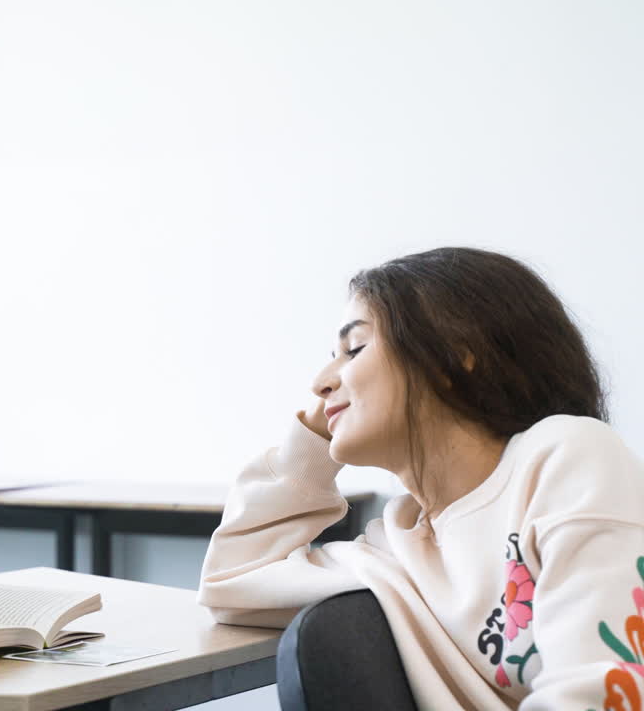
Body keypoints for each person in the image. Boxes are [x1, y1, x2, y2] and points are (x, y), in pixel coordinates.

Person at [198, 247, 644, 708]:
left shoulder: (567, 459)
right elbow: (232, 582)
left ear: (452, 355)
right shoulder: (396, 549)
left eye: (354, 349)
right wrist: (312, 440)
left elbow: (598, 694)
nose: (320, 381)